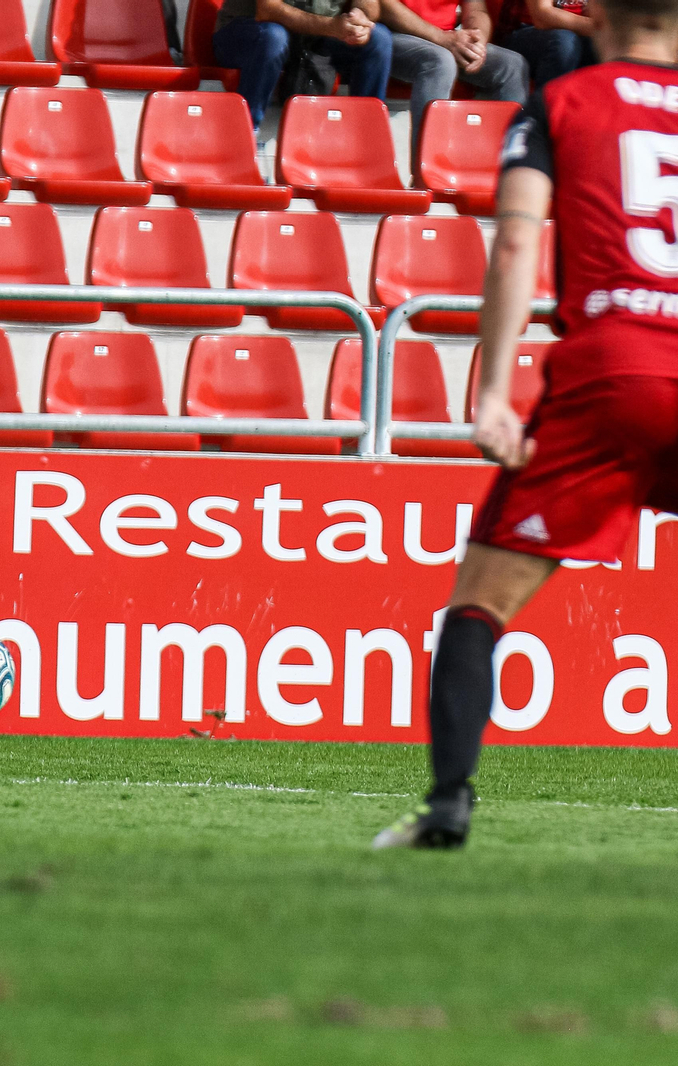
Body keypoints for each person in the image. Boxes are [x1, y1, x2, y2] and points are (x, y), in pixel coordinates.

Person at [374, 0, 678, 848]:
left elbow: (514, 245)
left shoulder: (569, 99)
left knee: (480, 605)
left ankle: (448, 806)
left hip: (611, 373)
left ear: (602, 12)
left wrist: (493, 392)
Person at [214, 0, 394, 129]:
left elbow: (370, 4)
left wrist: (359, 18)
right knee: (274, 37)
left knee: (378, 38)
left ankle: (367, 136)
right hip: (248, 31)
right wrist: (332, 27)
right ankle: (245, 132)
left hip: (318, 33)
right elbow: (268, 10)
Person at [380, 0, 528, 148]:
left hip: (445, 39)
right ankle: (430, 164)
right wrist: (440, 37)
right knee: (439, 61)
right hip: (394, 33)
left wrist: (477, 41)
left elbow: (477, 10)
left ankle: (511, 162)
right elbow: (383, 4)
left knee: (512, 64)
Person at [496, 0, 598, 86]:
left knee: (602, 48)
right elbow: (542, 16)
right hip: (526, 32)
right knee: (564, 43)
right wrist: (600, 28)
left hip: (578, 33)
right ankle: (545, 107)